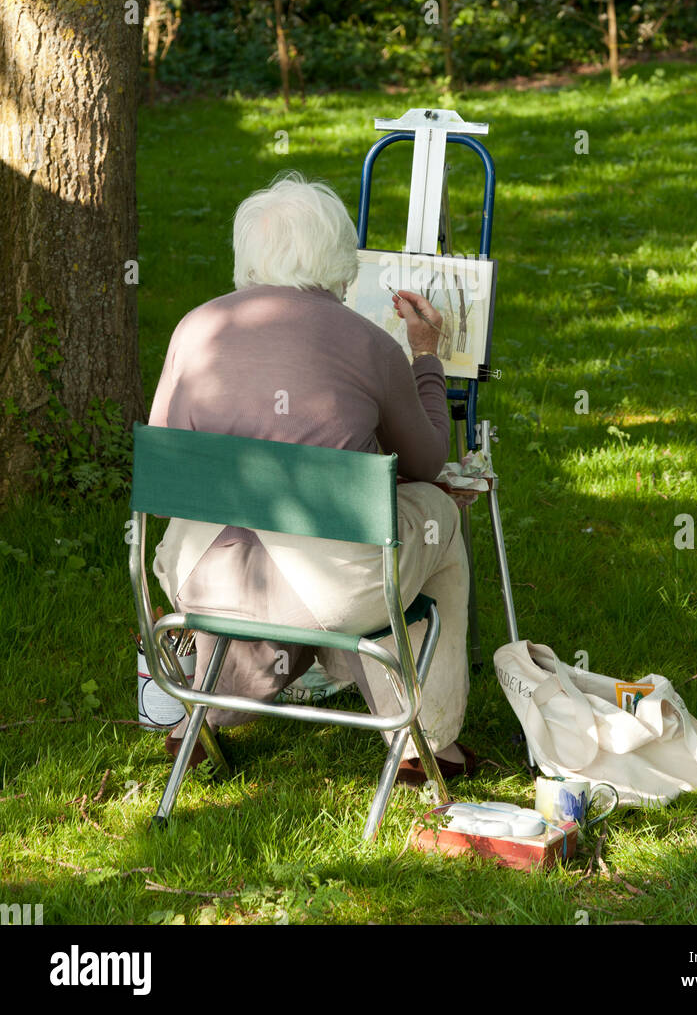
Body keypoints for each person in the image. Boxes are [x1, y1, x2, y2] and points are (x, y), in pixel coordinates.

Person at [148, 171, 474, 782]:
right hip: (337, 592)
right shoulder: (371, 342)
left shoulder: (196, 328)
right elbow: (429, 461)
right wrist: (426, 356)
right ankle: (427, 742)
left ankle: (205, 714)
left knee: (271, 537)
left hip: (199, 579)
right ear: (340, 259)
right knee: (440, 516)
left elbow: (169, 451)